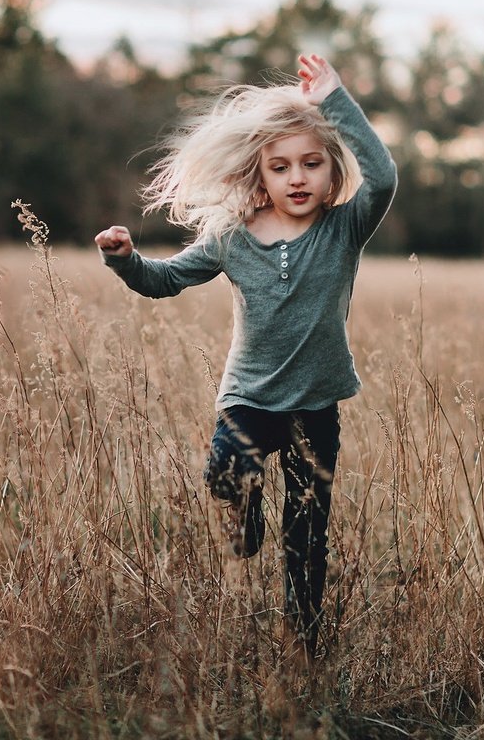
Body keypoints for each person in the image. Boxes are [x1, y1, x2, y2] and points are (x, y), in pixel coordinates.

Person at [94, 53, 396, 657]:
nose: (298, 177)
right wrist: (125, 259)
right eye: (281, 167)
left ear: (333, 174)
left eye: (312, 164)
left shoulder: (344, 229)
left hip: (316, 404)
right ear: (261, 177)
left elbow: (384, 177)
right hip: (249, 399)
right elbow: (166, 280)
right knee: (226, 475)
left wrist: (334, 98)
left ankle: (304, 639)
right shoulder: (232, 238)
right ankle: (245, 518)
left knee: (308, 533)